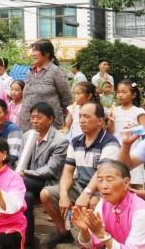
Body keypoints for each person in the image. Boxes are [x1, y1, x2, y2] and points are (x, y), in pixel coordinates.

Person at [40, 102, 120, 246]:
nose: (81, 120)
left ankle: (96, 241)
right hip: (80, 186)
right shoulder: (76, 141)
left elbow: (101, 173)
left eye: (87, 117)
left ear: (100, 120)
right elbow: (68, 171)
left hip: (102, 190)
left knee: (93, 202)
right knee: (45, 194)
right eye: (80, 116)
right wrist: (64, 194)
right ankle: (63, 232)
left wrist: (87, 194)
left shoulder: (110, 143)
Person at [71, 160, 145, 249]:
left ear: (126, 182)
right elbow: (92, 245)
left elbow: (102, 237)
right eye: (100, 180)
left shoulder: (142, 213)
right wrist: (85, 230)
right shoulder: (103, 204)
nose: (103, 186)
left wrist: (102, 234)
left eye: (109, 180)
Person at [18, 102, 69, 248]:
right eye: (32, 117)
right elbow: (21, 161)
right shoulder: (28, 135)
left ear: (50, 119)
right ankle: (27, 242)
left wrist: (23, 174)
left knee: (17, 182)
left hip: (48, 183)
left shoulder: (60, 141)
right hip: (27, 180)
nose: (34, 121)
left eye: (39, 117)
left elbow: (50, 170)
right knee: (26, 196)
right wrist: (21, 173)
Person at [19, 39, 72, 132]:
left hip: (49, 126)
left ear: (47, 53)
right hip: (28, 125)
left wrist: (62, 117)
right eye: (33, 51)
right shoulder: (29, 72)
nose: (33, 54)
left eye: (37, 51)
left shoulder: (56, 71)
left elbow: (67, 99)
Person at [107, 79, 145, 188]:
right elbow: (110, 131)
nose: (120, 95)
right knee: (117, 179)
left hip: (133, 149)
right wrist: (111, 121)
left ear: (133, 95)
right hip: (117, 147)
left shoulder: (138, 111)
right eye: (118, 92)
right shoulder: (114, 110)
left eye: (124, 92)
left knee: (133, 182)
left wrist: (136, 128)